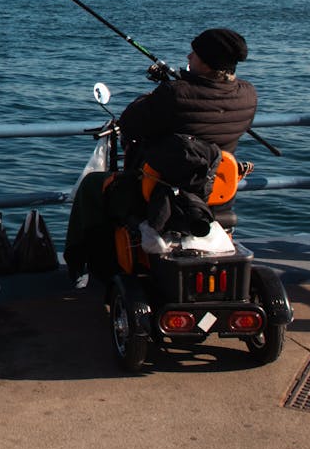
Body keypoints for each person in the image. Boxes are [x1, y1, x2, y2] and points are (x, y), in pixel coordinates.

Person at [63, 28, 257, 280]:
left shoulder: (175, 94)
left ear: (208, 63)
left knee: (93, 186)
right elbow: (202, 109)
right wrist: (182, 84)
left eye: (195, 54)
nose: (188, 56)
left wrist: (168, 87)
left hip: (162, 195)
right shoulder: (248, 94)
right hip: (215, 196)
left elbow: (131, 122)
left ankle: (81, 264)